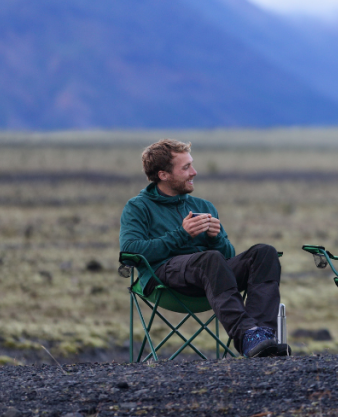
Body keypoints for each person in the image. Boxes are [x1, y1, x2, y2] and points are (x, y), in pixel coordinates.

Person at [118, 139, 288, 358]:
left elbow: (228, 256)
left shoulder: (203, 207)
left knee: (264, 253)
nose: (194, 172)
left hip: (212, 278)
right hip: (163, 276)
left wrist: (216, 238)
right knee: (210, 259)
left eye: (192, 165)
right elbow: (130, 251)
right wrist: (181, 234)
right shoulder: (138, 207)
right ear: (163, 175)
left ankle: (262, 336)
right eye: (186, 167)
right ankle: (247, 334)